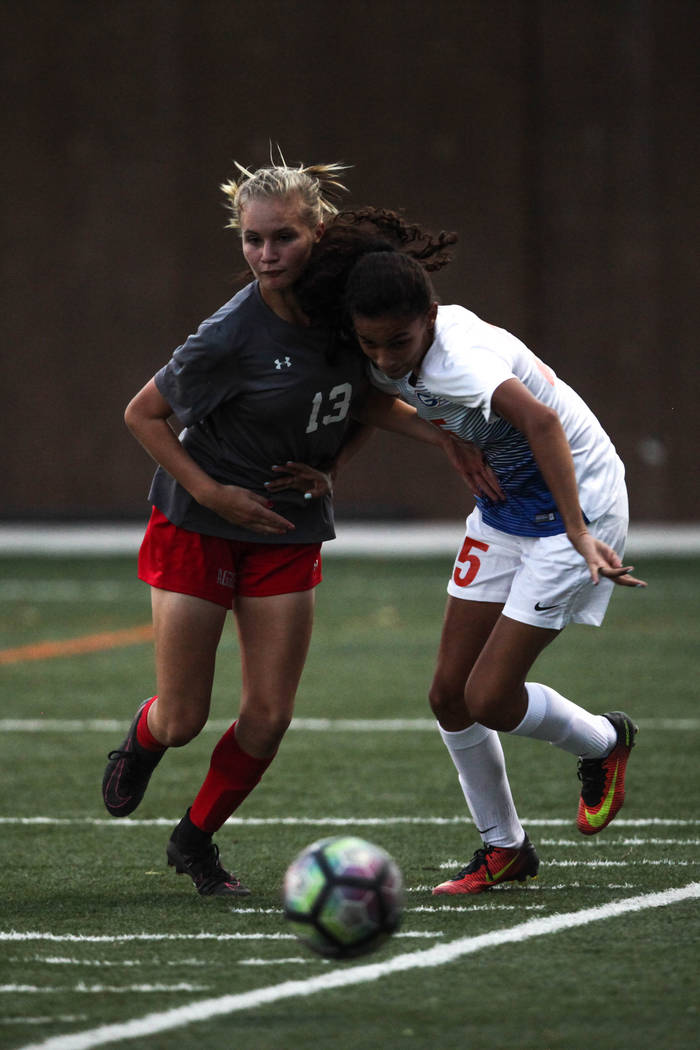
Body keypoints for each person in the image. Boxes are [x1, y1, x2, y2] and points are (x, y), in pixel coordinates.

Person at [101, 160, 498, 898]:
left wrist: (437, 436)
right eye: (252, 240)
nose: (266, 254)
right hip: (200, 522)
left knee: (270, 715)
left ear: (317, 233)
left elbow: (365, 401)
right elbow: (142, 414)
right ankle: (146, 737)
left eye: (283, 237)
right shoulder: (229, 334)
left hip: (288, 526)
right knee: (185, 716)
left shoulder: (349, 310)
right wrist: (215, 493)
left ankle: (194, 841)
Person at [340, 249, 646, 895]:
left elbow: (541, 420)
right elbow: (368, 401)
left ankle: (602, 741)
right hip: (503, 507)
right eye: (372, 344)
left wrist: (578, 530)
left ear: (429, 316)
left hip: (576, 509)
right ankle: (504, 849)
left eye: (399, 342)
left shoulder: (461, 359)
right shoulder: (373, 343)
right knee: (448, 697)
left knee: (489, 699)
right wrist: (438, 438)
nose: (387, 358)